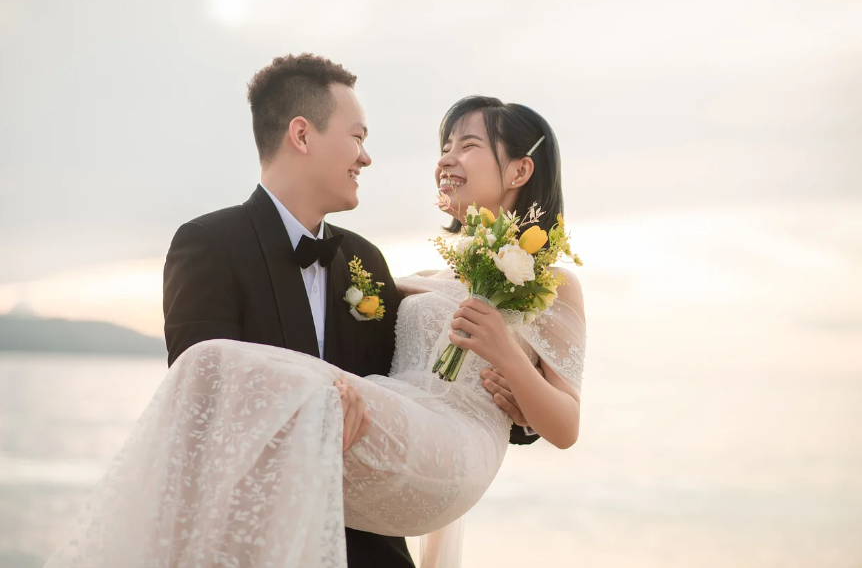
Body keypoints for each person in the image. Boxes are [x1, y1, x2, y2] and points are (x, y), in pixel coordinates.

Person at [44, 55, 585, 568]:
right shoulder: (211, 244)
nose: (368, 156)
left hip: (373, 541)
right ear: (302, 135)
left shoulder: (366, 262)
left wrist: (518, 401)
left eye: (465, 145)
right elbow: (202, 400)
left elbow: (483, 397)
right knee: (221, 362)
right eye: (357, 138)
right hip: (254, 542)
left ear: (520, 169)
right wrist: (322, 402)